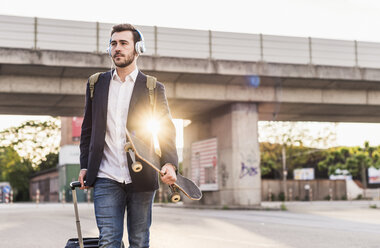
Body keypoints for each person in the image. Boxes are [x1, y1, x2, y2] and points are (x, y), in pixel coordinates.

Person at [78, 23, 178, 248]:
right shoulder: (96, 84)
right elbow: (88, 129)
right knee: (108, 241)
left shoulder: (153, 87)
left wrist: (170, 164)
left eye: (124, 43)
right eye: (113, 43)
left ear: (137, 49)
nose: (117, 48)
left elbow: (165, 129)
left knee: (139, 241)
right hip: (105, 176)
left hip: (142, 175)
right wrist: (85, 165)